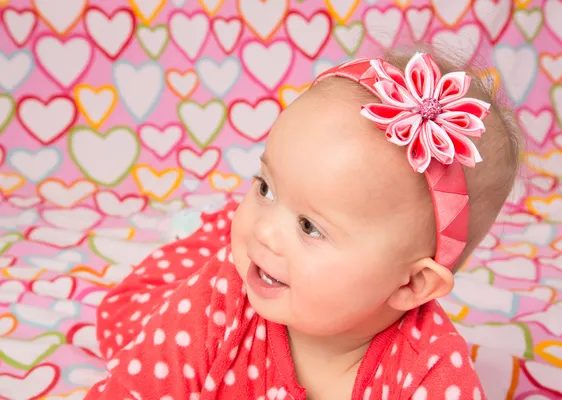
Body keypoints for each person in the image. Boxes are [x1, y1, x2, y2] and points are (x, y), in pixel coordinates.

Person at [84, 49, 521, 400]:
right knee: (125, 316)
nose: (264, 230)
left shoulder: (430, 374)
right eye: (264, 187)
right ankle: (211, 232)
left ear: (412, 284)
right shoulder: (220, 299)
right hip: (179, 303)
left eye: (310, 227)